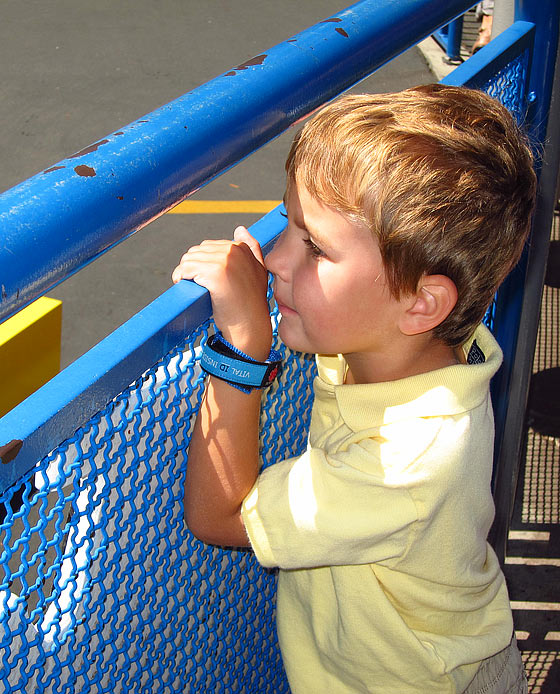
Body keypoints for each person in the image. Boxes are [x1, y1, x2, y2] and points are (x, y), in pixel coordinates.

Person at [172, 84, 536, 693]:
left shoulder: (407, 460)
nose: (276, 260)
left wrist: (242, 347)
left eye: (314, 247)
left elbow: (220, 516)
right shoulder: (421, 347)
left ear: (421, 302)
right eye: (288, 224)